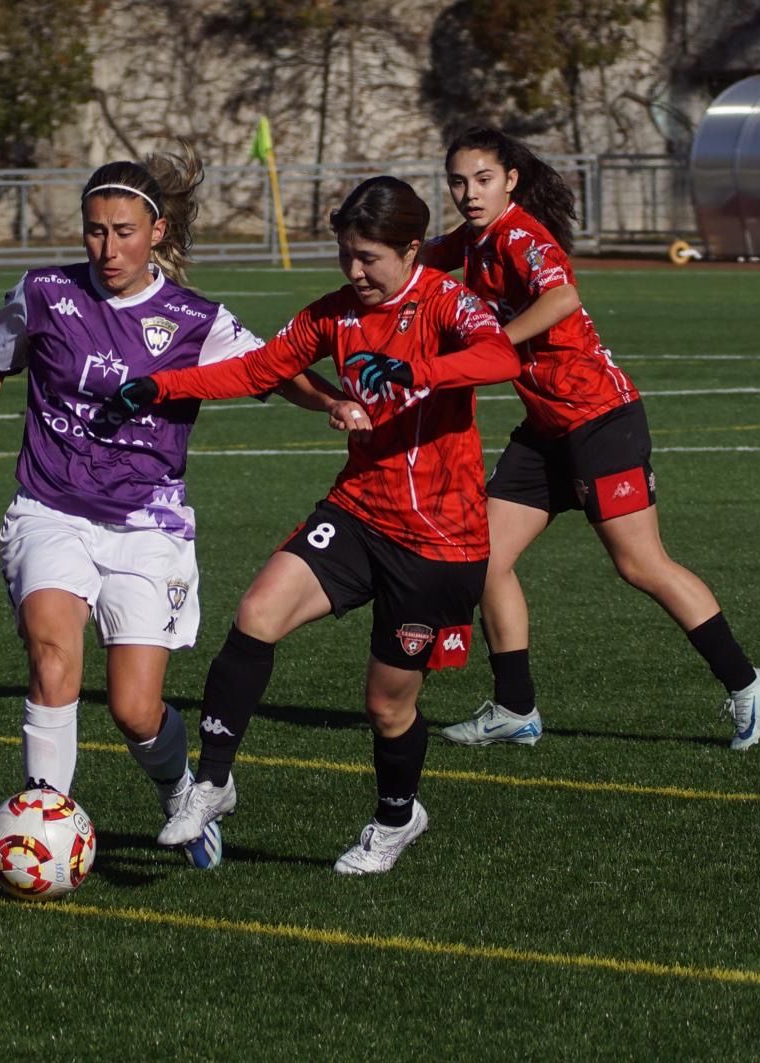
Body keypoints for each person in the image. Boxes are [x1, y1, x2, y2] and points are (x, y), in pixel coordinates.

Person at [0, 145, 343, 870]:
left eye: (124, 231)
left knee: (133, 710)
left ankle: (182, 787)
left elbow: (272, 367)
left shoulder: (193, 318)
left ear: (156, 232)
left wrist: (334, 401)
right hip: (49, 508)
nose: (107, 247)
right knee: (53, 658)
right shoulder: (43, 293)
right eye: (95, 230)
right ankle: (44, 825)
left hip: (147, 525)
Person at [112, 176, 521, 874]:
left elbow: (502, 356)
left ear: (412, 249)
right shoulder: (335, 315)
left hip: (440, 541)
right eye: (346, 256)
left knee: (387, 707)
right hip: (359, 510)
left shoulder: (447, 302)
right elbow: (257, 368)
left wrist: (418, 368)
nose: (355, 272)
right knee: (256, 613)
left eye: (370, 258)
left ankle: (398, 817)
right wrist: (163, 384)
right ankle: (211, 783)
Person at [422, 127, 760, 751]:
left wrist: (493, 345)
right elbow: (423, 256)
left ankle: (749, 683)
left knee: (641, 564)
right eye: (458, 181)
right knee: (482, 559)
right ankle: (515, 708)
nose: (469, 193)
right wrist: (371, 235)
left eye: (482, 180)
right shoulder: (476, 238)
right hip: (545, 430)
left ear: (510, 180)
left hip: (600, 421)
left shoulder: (522, 235)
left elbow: (562, 297)